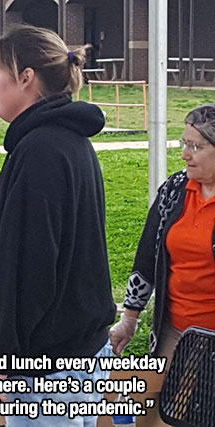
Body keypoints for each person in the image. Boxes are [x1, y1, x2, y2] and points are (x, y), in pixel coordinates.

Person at [0, 24, 116, 426]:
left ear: (25, 78)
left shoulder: (41, 151)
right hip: (77, 355)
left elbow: (27, 266)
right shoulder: (67, 141)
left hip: (50, 370)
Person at [109, 104, 215, 424]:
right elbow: (147, 256)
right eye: (183, 143)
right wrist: (130, 318)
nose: (184, 154)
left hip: (210, 335)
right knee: (154, 414)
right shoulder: (174, 190)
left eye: (194, 146)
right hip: (172, 327)